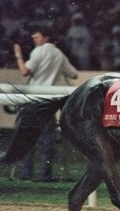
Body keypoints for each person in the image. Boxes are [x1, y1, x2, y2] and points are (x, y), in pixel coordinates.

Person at [13, 26, 79, 181]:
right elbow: (74, 74)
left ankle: (26, 173)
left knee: (29, 136)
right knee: (47, 139)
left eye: (37, 37)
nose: (34, 40)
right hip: (49, 102)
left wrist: (18, 56)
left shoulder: (38, 51)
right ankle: (45, 174)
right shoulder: (59, 54)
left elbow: (25, 71)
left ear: (45, 38)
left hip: (34, 100)